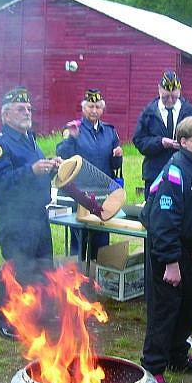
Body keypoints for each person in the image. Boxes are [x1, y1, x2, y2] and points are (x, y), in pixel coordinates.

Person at [139, 116, 192, 383]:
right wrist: (171, 262)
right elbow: (163, 221)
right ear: (182, 143)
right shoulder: (176, 170)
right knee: (165, 308)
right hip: (166, 247)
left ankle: (178, 355)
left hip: (187, 245)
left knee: (186, 303)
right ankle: (153, 367)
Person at [0, 86, 62, 340]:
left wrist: (50, 167)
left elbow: (35, 172)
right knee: (17, 270)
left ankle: (39, 314)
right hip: (16, 219)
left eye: (28, 108)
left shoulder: (29, 139)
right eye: (20, 109)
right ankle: (6, 321)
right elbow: (2, 184)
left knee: (42, 267)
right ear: (6, 115)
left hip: (38, 216)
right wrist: (31, 170)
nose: (26, 113)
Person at [56, 88, 123, 260]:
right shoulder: (73, 128)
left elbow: (114, 165)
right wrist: (71, 138)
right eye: (91, 107)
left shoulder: (109, 131)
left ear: (102, 109)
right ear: (83, 108)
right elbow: (63, 155)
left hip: (102, 192)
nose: (94, 111)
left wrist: (118, 156)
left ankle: (97, 274)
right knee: (80, 238)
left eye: (98, 107)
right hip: (80, 191)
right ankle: (77, 277)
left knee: (101, 236)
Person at [132, 71, 192, 195]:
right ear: (159, 89)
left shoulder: (189, 112)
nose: (170, 100)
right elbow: (139, 141)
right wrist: (160, 142)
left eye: (174, 97)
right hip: (155, 174)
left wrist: (186, 145)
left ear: (180, 90)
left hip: (183, 173)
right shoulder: (149, 112)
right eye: (165, 97)